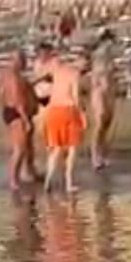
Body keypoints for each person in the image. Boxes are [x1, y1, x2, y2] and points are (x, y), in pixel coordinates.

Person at [34, 44, 86, 194]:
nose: (85, 67)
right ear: (78, 62)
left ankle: (48, 180)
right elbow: (75, 97)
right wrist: (82, 114)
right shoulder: (74, 73)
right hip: (68, 110)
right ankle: (69, 183)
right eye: (84, 63)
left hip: (53, 110)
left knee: (56, 148)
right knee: (72, 148)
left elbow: (41, 76)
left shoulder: (57, 71)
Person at [0, 50, 40, 190]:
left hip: (11, 111)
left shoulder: (5, 74)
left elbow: (0, 93)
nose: (26, 64)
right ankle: (13, 180)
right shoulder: (14, 77)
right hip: (18, 114)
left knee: (28, 146)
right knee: (20, 148)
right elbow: (18, 100)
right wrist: (26, 119)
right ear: (18, 61)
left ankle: (29, 172)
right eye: (24, 60)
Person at [87, 32, 119, 172]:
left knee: (106, 123)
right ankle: (95, 156)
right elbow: (94, 74)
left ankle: (103, 153)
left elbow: (112, 75)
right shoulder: (98, 56)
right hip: (99, 91)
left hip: (109, 91)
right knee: (100, 122)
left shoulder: (110, 57)